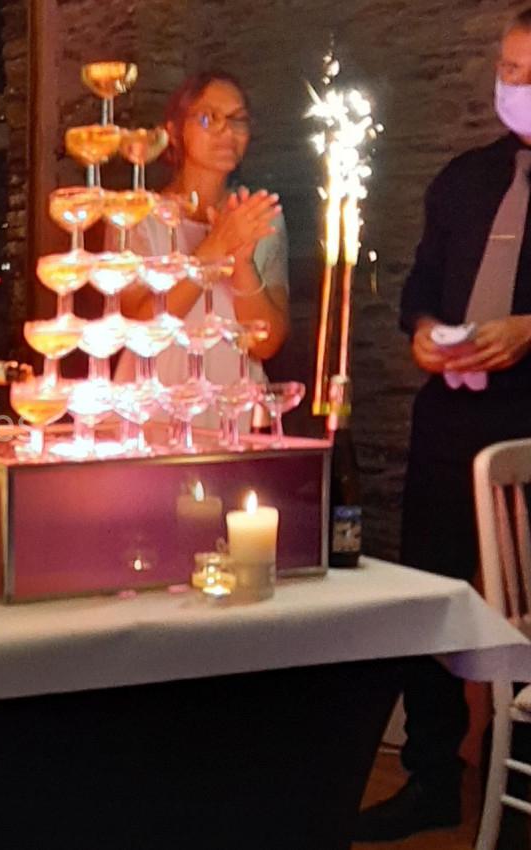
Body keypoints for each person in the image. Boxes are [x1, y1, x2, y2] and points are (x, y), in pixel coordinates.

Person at [355, 11, 531, 842]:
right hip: (449, 417)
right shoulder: (464, 178)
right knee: (430, 583)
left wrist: (530, 330)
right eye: (508, 68)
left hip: (528, 421)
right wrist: (424, 330)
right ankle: (432, 770)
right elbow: (419, 284)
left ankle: (512, 755)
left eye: (529, 73)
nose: (513, 87)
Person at [117, 71, 288, 388]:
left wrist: (243, 264)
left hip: (234, 398)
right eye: (210, 118)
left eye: (238, 120)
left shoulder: (257, 215)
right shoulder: (136, 215)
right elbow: (142, 329)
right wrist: (215, 246)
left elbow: (266, 344)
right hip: (154, 397)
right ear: (175, 130)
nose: (227, 131)